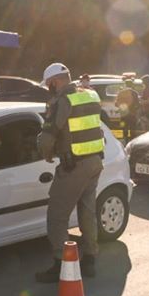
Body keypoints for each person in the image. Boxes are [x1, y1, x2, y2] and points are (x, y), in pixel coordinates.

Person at [36, 62, 105, 282]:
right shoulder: (90, 95)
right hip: (95, 161)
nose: (49, 89)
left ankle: (61, 265)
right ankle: (90, 261)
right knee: (87, 212)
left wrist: (46, 154)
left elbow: (47, 138)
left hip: (74, 165)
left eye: (49, 85)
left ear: (54, 82)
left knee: (57, 215)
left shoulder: (61, 101)